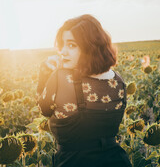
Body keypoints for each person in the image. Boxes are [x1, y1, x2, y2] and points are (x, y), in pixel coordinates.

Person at [37, 14, 132, 167]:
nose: (63, 52)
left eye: (71, 45)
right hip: (117, 161)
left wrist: (44, 74)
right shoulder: (118, 80)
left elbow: (44, 109)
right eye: (62, 45)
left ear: (90, 47)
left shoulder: (61, 78)